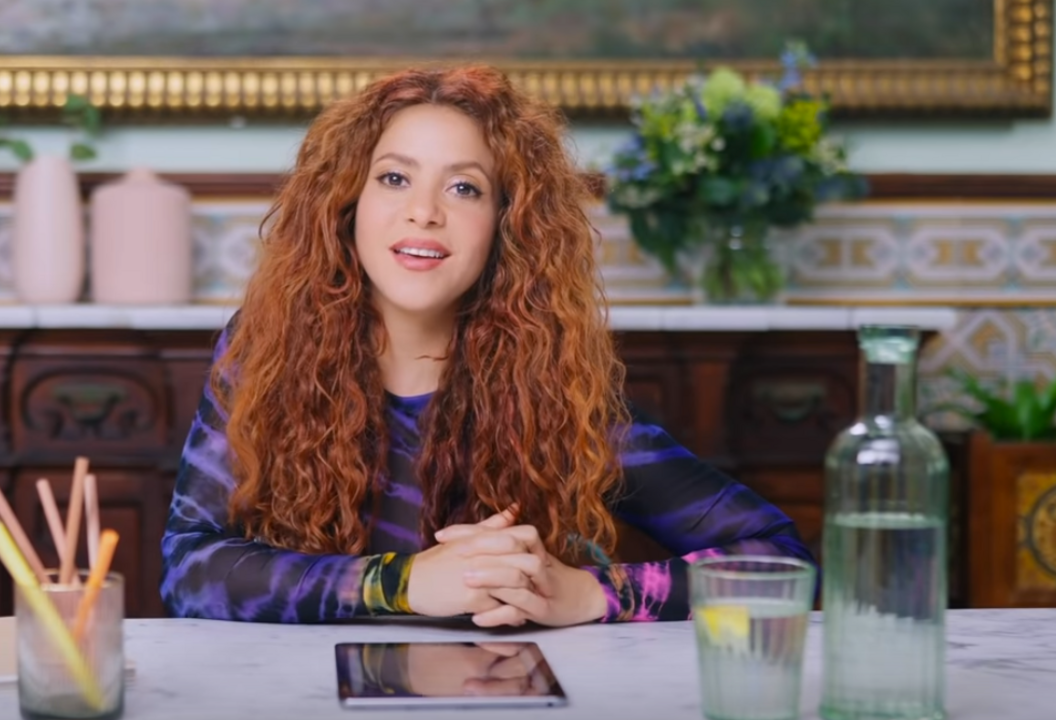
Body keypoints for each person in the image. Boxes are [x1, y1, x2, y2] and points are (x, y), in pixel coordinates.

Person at [160, 64, 815, 627]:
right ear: (346, 204)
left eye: (464, 187)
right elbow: (188, 569)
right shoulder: (265, 350)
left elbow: (783, 563)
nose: (424, 211)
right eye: (394, 178)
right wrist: (402, 582)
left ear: (506, 224)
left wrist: (589, 593)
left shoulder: (553, 385)